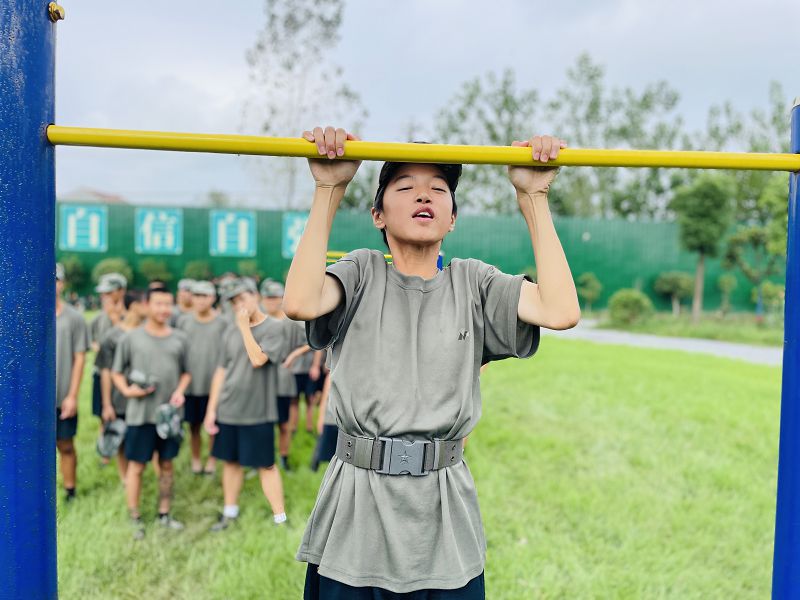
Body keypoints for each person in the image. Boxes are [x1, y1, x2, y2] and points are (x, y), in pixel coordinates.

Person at [283, 126, 580, 598]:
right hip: (357, 510)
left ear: (452, 219)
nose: (424, 194)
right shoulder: (360, 273)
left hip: (443, 516)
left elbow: (561, 311)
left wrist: (534, 196)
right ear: (378, 214)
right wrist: (328, 188)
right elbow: (300, 301)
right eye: (405, 187)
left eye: (439, 189)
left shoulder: (473, 284)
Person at [204, 278, 289, 531]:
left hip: (258, 410)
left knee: (266, 464)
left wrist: (244, 328)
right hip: (229, 407)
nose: (238, 306)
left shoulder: (275, 328)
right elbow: (221, 370)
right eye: (233, 302)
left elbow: (258, 359)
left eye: (242, 299)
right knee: (230, 462)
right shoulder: (229, 330)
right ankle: (229, 513)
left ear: (255, 296)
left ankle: (280, 518)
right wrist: (212, 409)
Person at [111, 286, 191, 539]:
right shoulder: (131, 338)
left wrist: (180, 390)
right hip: (139, 416)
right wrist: (127, 390)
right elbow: (115, 372)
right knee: (136, 466)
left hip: (168, 417)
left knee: (166, 465)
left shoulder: (180, 339)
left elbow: (186, 372)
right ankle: (134, 516)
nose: (163, 309)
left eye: (168, 304)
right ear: (146, 305)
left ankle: (164, 513)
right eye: (158, 304)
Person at [175, 280, 228, 475]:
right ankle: (196, 458)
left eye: (204, 296)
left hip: (213, 384)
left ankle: (212, 460)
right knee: (193, 425)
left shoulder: (222, 323)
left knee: (213, 425)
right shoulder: (183, 321)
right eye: (197, 295)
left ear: (212, 298)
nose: (200, 300)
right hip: (191, 384)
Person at [95, 289, 148, 484]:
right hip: (120, 398)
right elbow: (106, 372)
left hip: (145, 398)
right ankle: (126, 479)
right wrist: (107, 403)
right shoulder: (112, 337)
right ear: (134, 306)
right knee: (122, 441)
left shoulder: (149, 332)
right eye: (145, 302)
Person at [260, 278, 313, 471]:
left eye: (276, 298)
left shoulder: (291, 321)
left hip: (282, 378)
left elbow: (311, 341)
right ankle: (262, 459)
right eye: (268, 298)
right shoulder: (257, 320)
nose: (272, 301)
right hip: (259, 380)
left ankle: (283, 457)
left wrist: (293, 355)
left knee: (283, 423)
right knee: (261, 424)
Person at [55, 262, 90, 502]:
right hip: (33, 398)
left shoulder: (74, 318)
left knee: (65, 445)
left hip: (63, 392)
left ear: (62, 283)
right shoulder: (27, 315)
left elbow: (80, 358)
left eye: (56, 279)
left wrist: (73, 395)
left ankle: (70, 490)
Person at [89, 273, 127, 435]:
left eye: (109, 293)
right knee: (102, 411)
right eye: (103, 293)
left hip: (122, 373)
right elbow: (92, 340)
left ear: (121, 291)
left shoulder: (129, 317)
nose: (105, 297)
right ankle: (104, 441)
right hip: (102, 370)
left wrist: (116, 318)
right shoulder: (98, 318)